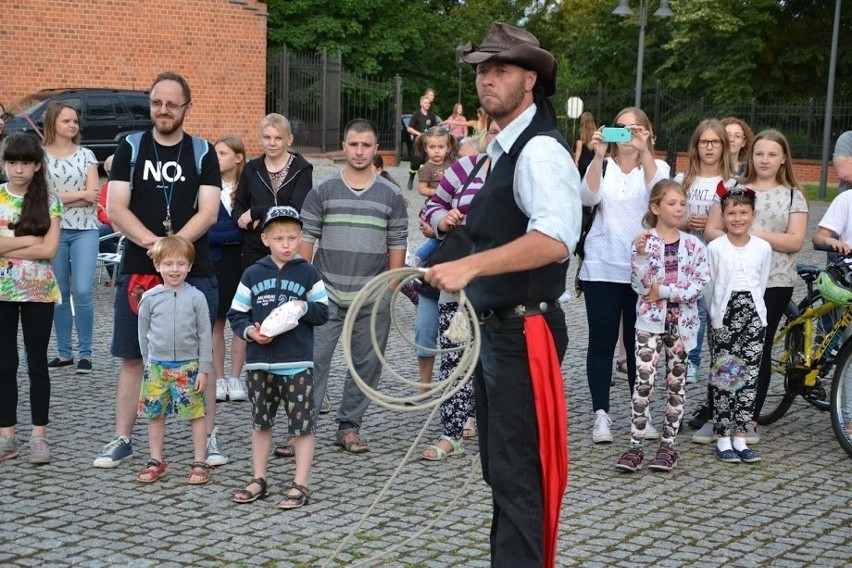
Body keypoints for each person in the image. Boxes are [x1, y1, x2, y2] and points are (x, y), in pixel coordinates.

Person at [426, 22, 581, 567]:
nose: (487, 81)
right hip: (501, 329)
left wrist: (471, 266)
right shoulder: (505, 147)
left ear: (531, 80)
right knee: (502, 469)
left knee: (518, 475)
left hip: (525, 330)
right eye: (483, 72)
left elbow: (556, 238)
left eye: (501, 71)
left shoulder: (538, 151)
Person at [94, 71, 226, 469]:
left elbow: (209, 209)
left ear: (187, 106)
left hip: (196, 270)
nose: (163, 110)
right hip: (140, 269)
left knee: (201, 356)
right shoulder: (131, 147)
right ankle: (123, 438)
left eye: (172, 103)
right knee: (133, 356)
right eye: (157, 102)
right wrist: (157, 248)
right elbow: (116, 207)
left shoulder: (202, 151)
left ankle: (209, 437)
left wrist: (177, 253)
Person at [295, 118, 407, 456]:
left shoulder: (391, 195)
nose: (359, 151)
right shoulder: (323, 191)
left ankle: (349, 426)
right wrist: (306, 285)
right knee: (312, 361)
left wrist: (389, 288)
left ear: (375, 150)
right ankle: (302, 430)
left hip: (371, 295)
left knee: (366, 364)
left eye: (366, 145)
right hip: (326, 292)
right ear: (343, 147)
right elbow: (306, 238)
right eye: (353, 144)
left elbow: (397, 242)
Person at [705, 129, 808, 444]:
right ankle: (718, 415)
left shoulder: (793, 194)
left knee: (756, 352)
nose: (764, 160)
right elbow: (711, 229)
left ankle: (747, 418)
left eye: (772, 154)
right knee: (724, 351)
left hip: (774, 282)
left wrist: (751, 236)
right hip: (732, 282)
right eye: (760, 153)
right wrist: (738, 239)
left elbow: (794, 240)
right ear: (751, 156)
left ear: (783, 159)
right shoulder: (734, 189)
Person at [580, 106, 670, 444]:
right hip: (602, 265)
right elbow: (587, 197)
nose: (629, 134)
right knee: (601, 342)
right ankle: (600, 414)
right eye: (622, 128)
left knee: (639, 344)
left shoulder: (658, 166)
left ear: (648, 132)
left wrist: (645, 152)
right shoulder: (603, 165)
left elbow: (658, 197)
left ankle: (641, 413)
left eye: (636, 128)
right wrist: (597, 156)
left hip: (643, 269)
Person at [228, 206, 329, 508]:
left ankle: (301, 483)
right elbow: (237, 313)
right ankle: (259, 477)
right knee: (261, 422)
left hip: (297, 362)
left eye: (293, 238)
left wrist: (302, 308)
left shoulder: (309, 272)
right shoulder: (252, 273)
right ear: (265, 239)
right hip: (259, 362)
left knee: (302, 425)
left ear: (301, 239)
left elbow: (323, 312)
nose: (286, 244)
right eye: (279, 238)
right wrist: (250, 333)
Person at [614, 180, 710, 472]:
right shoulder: (644, 242)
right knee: (643, 381)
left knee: (675, 384)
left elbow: (698, 285)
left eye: (682, 203)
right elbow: (641, 287)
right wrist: (642, 257)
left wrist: (666, 292)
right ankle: (636, 445)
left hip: (682, 326)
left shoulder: (693, 245)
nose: (679, 208)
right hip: (648, 323)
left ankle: (669, 445)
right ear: (656, 208)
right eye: (672, 203)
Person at [420, 125, 500, 460]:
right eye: (494, 130)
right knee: (454, 356)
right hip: (459, 285)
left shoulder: (529, 171)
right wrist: (444, 218)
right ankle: (452, 433)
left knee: (499, 361)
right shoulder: (466, 168)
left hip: (503, 289)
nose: (500, 136)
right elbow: (430, 208)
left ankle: (499, 431)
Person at [0, 133, 63, 463]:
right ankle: (6, 435)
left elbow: (49, 249)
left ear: (37, 165)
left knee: (37, 362)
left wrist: (9, 243)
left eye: (25, 163)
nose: (18, 169)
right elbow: (37, 246)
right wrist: (29, 241)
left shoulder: (49, 200)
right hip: (2, 292)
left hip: (38, 290)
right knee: (4, 363)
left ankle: (39, 435)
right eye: (12, 162)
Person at [135, 236, 213, 484]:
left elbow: (205, 335)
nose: (175, 269)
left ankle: (200, 460)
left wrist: (203, 369)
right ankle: (156, 459)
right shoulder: (150, 298)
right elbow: (143, 333)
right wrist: (148, 363)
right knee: (155, 414)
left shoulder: (197, 297)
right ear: (158, 265)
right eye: (169, 264)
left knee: (195, 414)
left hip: (188, 366)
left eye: (180, 264)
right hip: (157, 367)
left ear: (189, 266)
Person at [706, 187, 771, 463]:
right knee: (728, 377)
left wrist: (756, 312)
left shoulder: (762, 247)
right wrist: (716, 317)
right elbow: (710, 286)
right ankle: (723, 437)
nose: (737, 218)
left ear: (753, 215)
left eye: (743, 212)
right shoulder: (716, 247)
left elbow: (763, 281)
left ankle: (741, 436)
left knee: (750, 378)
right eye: (731, 212)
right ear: (723, 216)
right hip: (725, 316)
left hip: (754, 316)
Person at [674, 119, 734, 387]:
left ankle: (718, 391)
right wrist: (686, 222)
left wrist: (713, 224)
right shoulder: (682, 180)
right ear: (696, 146)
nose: (709, 147)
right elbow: (666, 216)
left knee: (720, 324)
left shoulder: (731, 182)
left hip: (718, 258)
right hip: (687, 259)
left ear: (723, 146)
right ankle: (691, 362)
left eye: (715, 142)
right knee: (694, 313)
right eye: (704, 142)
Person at [42, 102, 100, 373]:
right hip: (53, 230)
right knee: (60, 293)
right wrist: (78, 197)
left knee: (83, 290)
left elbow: (93, 196)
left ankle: (86, 353)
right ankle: (64, 353)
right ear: (53, 122)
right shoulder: (40, 157)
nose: (73, 125)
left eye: (75, 121)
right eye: (67, 121)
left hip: (85, 230)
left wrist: (58, 199)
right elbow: (41, 198)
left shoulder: (87, 155)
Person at [231, 113, 313, 269]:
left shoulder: (302, 170)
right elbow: (238, 209)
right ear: (260, 139)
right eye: (267, 137)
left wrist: (256, 212)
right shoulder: (251, 169)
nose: (272, 143)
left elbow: (295, 211)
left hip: (287, 249)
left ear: (289, 139)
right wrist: (252, 226)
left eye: (278, 138)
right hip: (254, 250)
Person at [211, 135, 247, 402]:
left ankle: (235, 378)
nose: (217, 157)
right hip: (215, 260)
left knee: (240, 320)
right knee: (215, 321)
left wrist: (235, 231)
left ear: (238, 157)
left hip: (242, 261)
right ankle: (218, 377)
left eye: (223, 153)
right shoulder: (207, 186)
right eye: (215, 153)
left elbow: (251, 228)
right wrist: (232, 232)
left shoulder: (247, 187)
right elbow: (205, 228)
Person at [406, 95, 439, 190]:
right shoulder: (416, 115)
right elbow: (409, 128)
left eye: (429, 103)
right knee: (415, 163)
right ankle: (411, 178)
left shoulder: (432, 116)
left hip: (429, 143)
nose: (428, 104)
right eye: (425, 103)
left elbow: (435, 128)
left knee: (428, 161)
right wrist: (419, 134)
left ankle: (427, 182)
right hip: (418, 143)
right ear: (421, 103)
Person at [96, 154, 120, 285]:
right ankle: (116, 275)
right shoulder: (105, 188)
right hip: (113, 226)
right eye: (110, 171)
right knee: (101, 233)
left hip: (133, 226)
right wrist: (115, 222)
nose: (113, 173)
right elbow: (100, 211)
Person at [573, 111, 596, 179]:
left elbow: (579, 149)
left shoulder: (581, 134)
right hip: (592, 163)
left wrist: (576, 162)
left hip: (583, 163)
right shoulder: (595, 134)